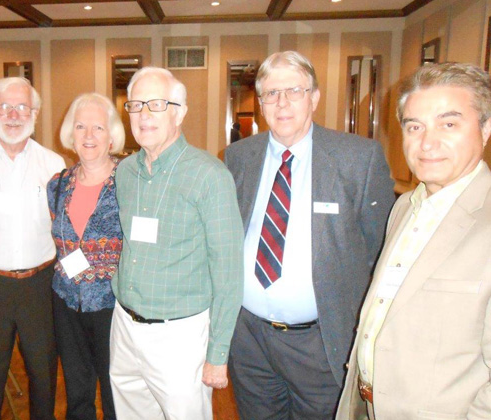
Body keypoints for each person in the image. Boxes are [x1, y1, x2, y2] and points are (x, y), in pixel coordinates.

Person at [224, 50, 394, 420]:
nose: (281, 102)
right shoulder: (238, 157)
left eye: (294, 91)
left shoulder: (358, 158)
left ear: (314, 98)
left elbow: (380, 254)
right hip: (249, 338)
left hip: (319, 342)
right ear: (261, 102)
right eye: (271, 93)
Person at [336, 62, 491, 419]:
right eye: (414, 126)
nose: (427, 142)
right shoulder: (406, 206)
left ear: (485, 130)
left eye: (448, 124)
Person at [110, 67, 244, 420]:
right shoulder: (125, 173)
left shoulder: (210, 176)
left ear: (179, 112)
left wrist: (217, 354)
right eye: (136, 105)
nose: (143, 115)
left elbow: (229, 273)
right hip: (124, 326)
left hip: (180, 337)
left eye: (156, 104)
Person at [0, 77, 65, 420]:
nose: (12, 115)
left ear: (34, 112)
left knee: (43, 376)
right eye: (3, 107)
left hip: (41, 285)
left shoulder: (55, 166)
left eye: (21, 106)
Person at [47, 93, 124, 420]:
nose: (89, 136)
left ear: (112, 136)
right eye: (81, 127)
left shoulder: (129, 180)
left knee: (114, 389)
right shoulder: (58, 184)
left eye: (98, 127)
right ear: (70, 134)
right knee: (77, 389)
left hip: (113, 303)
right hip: (67, 301)